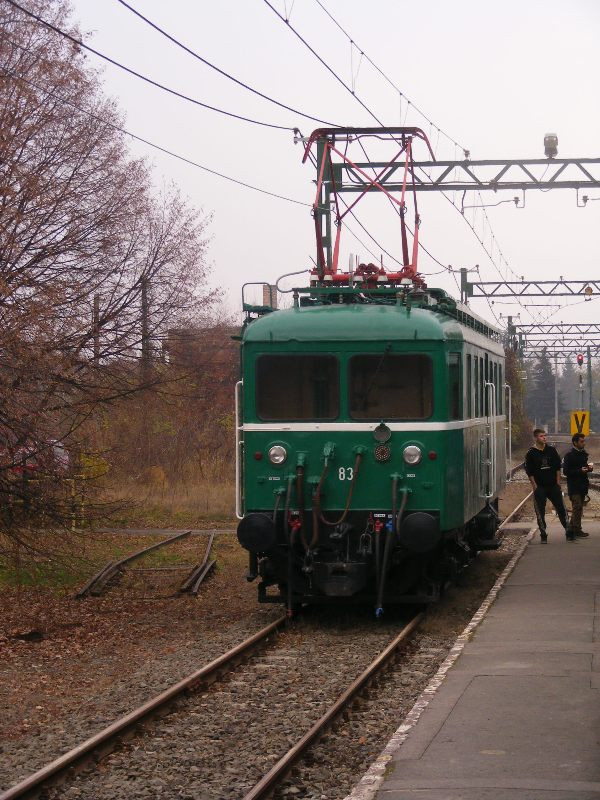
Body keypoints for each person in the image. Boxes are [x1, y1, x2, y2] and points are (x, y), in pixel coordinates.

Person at [525, 428, 571, 542]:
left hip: (552, 485)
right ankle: (543, 533)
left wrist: (558, 482)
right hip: (540, 486)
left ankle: (568, 530)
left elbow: (557, 467)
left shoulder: (551, 450)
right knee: (540, 511)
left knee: (561, 508)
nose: (544, 438)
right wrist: (534, 485)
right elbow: (529, 471)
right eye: (541, 436)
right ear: (536, 438)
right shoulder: (530, 453)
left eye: (545, 435)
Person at [562, 433, 592, 538]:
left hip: (583, 484)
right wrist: (579, 471)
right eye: (581, 441)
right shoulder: (569, 455)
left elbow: (583, 467)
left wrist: (588, 468)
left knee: (578, 508)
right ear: (575, 442)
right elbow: (566, 471)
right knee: (577, 506)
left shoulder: (584, 454)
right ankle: (576, 530)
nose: (584, 443)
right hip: (574, 485)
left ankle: (571, 529)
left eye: (584, 441)